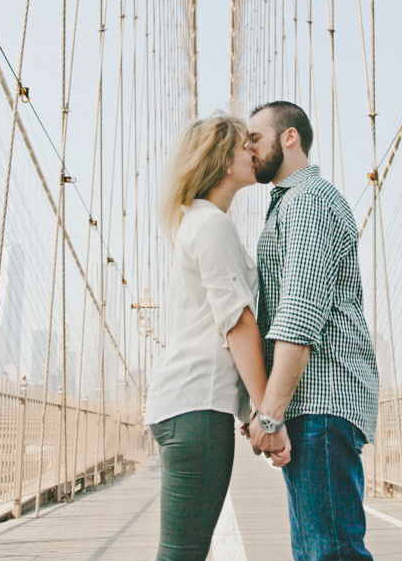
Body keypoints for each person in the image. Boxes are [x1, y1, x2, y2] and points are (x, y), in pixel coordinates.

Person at [145, 115, 290, 561]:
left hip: (191, 408)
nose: (255, 151)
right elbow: (239, 323)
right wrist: (269, 417)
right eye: (246, 145)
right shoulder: (211, 225)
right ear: (225, 160)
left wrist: (249, 410)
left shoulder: (202, 223)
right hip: (196, 412)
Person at [246, 101, 380, 561]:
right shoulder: (293, 203)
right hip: (311, 406)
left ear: (289, 138)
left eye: (255, 138)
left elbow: (299, 316)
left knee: (330, 553)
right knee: (319, 552)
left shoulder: (307, 202)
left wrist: (268, 415)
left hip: (322, 403)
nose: (248, 148)